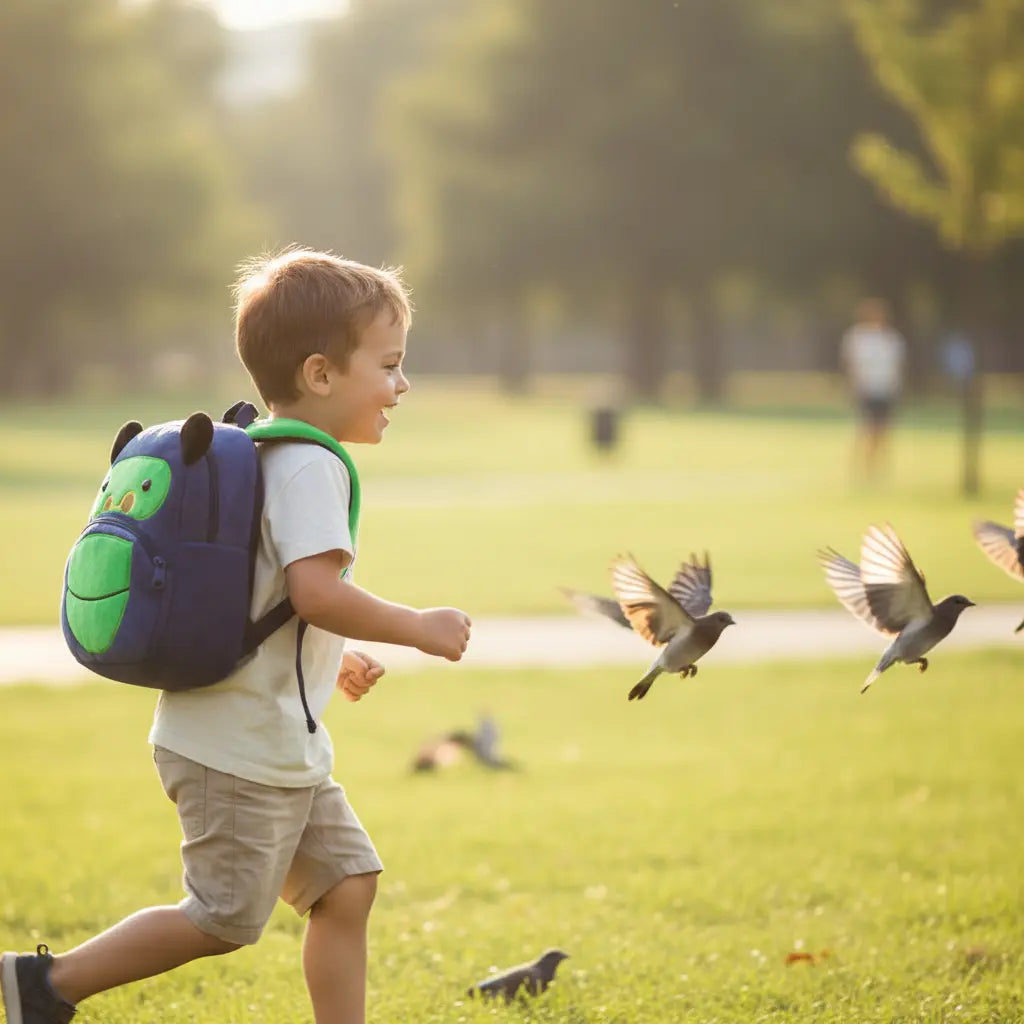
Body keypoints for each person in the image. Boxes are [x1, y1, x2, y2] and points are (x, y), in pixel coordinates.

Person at [0, 248, 473, 1024]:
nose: (403, 384)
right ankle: (45, 985)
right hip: (238, 750)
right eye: (389, 366)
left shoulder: (262, 451)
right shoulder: (310, 467)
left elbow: (264, 597)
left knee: (346, 885)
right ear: (320, 374)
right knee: (221, 918)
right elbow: (316, 592)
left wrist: (333, 654)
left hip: (268, 742)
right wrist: (417, 628)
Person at [839, 297, 907, 480]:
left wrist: (897, 388)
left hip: (886, 390)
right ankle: (862, 467)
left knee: (883, 431)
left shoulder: (892, 339)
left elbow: (898, 367)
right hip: (867, 390)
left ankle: (878, 469)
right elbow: (851, 365)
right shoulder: (857, 337)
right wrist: (854, 386)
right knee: (867, 429)